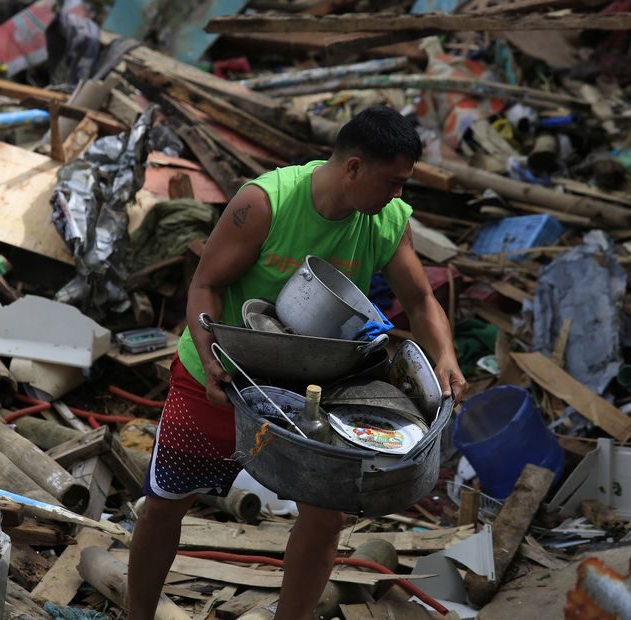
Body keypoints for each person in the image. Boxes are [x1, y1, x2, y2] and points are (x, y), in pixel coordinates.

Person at [127, 106, 468, 620]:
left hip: (318, 385)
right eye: (392, 182)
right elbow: (205, 285)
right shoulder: (266, 203)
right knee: (166, 502)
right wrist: (210, 356)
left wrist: (445, 355)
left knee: (327, 516)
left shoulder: (386, 221)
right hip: (225, 371)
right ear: (353, 167)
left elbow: (420, 301)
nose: (398, 196)